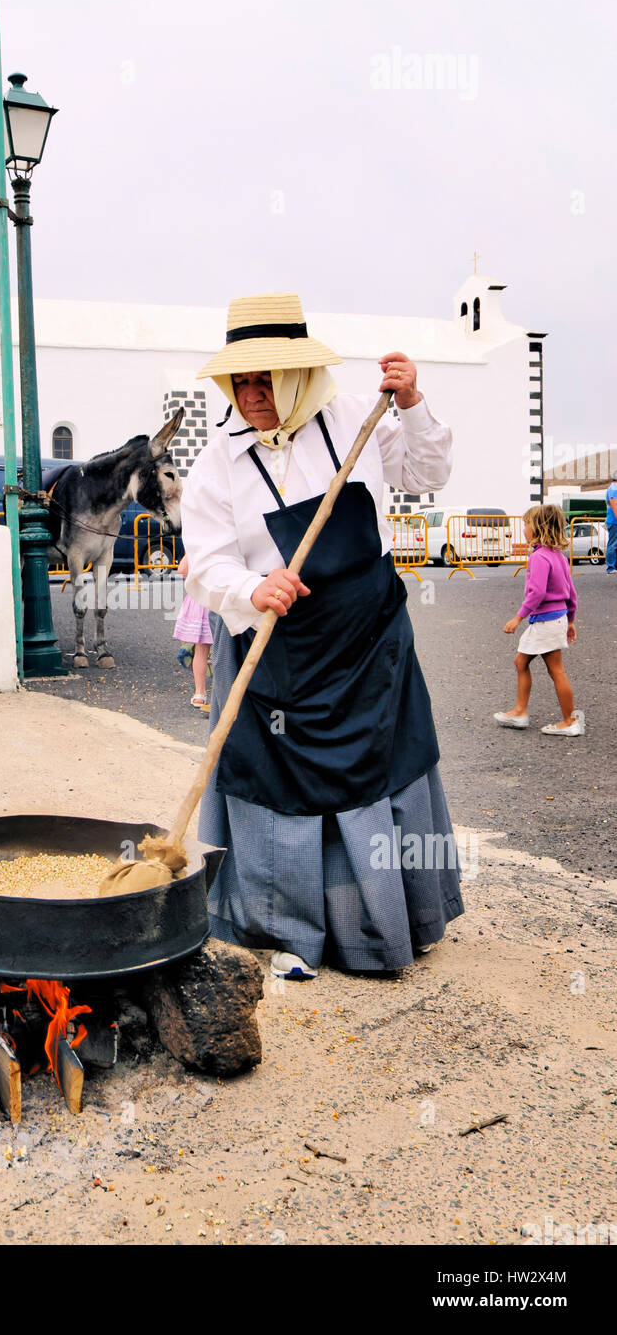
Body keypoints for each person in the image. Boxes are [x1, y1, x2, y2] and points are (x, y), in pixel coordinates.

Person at [181, 292, 463, 981]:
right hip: (275, 654)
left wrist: (412, 404)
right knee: (278, 787)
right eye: (239, 381)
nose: (251, 395)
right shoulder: (218, 461)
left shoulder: (351, 421)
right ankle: (281, 930)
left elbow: (425, 475)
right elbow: (206, 562)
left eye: (264, 380)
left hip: (370, 650)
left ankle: (384, 927)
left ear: (298, 376)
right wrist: (252, 588)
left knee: (380, 774)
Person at [496, 504, 583, 735]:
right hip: (557, 619)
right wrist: (571, 621)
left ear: (538, 527)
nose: (523, 528)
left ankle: (569, 721)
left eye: (526, 524)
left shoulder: (539, 557)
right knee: (521, 662)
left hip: (545, 621)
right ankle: (520, 712)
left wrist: (518, 618)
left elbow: (537, 593)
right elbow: (571, 594)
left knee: (555, 671)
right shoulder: (559, 557)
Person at [173, 555, 212, 708]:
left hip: (200, 598)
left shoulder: (196, 542)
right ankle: (226, 692)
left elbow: (182, 570)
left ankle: (200, 693)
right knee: (228, 650)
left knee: (201, 651)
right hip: (222, 596)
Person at [606, 468, 617, 574]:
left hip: (614, 521)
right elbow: (615, 506)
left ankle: (613, 566)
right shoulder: (614, 489)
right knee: (613, 544)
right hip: (614, 522)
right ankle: (611, 567)